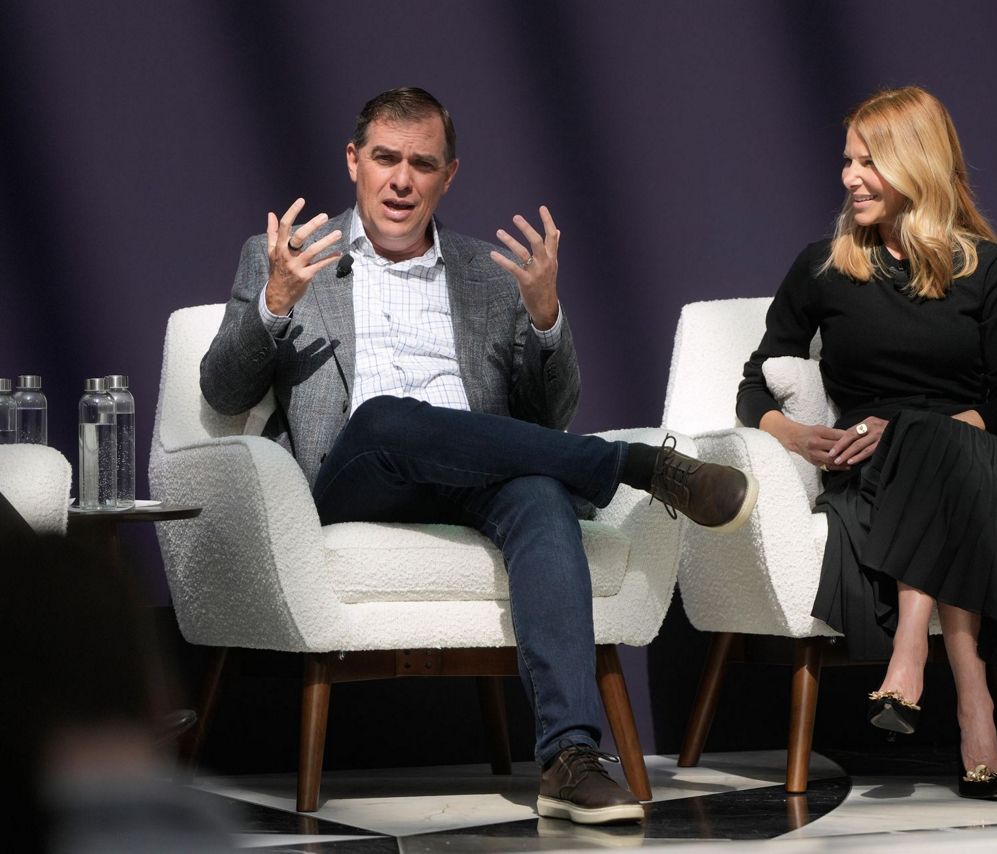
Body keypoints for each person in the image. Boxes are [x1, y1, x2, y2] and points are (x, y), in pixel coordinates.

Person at [200, 86, 757, 825]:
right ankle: (635, 468)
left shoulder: (488, 274)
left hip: (473, 472)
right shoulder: (287, 258)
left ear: (449, 175)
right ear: (354, 161)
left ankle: (569, 758)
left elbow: (547, 419)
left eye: (422, 164)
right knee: (386, 418)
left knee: (542, 495)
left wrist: (546, 318)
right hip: (356, 475)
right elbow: (223, 390)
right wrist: (275, 301)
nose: (402, 181)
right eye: (385, 159)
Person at [738, 86, 997, 800]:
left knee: (932, 443)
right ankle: (974, 703)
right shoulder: (823, 267)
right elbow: (756, 382)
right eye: (848, 161)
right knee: (923, 453)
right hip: (871, 475)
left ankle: (911, 654)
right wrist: (795, 434)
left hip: (980, 465)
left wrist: (919, 429)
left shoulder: (987, 270)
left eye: (868, 162)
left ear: (917, 164)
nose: (850, 177)